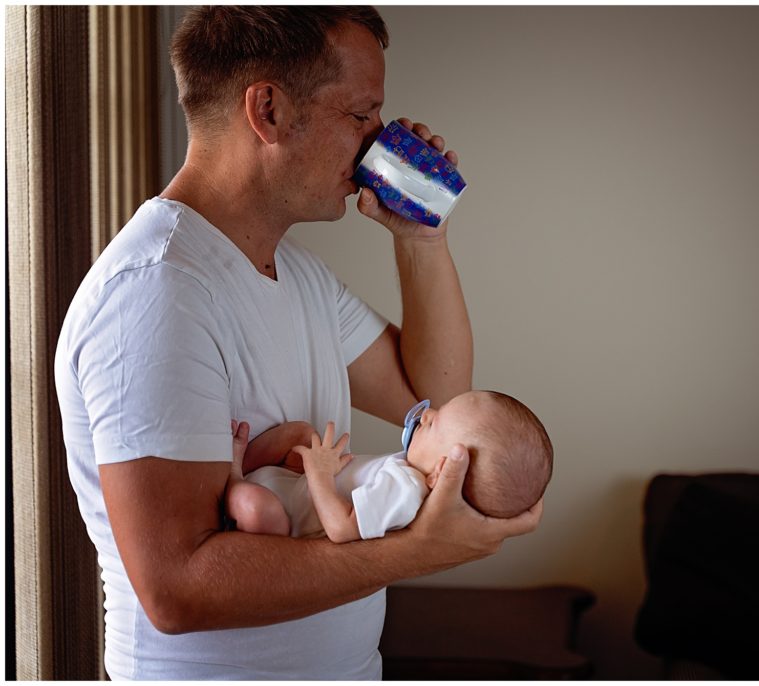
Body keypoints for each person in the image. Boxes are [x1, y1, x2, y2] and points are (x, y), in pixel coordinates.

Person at [53, 6, 541, 680]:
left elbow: (435, 402)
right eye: (360, 114)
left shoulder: (299, 275)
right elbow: (177, 587)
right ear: (270, 111)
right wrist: (416, 552)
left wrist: (421, 240)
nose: (378, 143)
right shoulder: (157, 294)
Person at [227, 391, 554, 541]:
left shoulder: (407, 490)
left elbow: (341, 530)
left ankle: (232, 475)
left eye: (433, 423)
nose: (425, 414)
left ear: (442, 471)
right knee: (301, 434)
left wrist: (320, 473)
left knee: (255, 507)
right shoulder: (409, 472)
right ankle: (240, 472)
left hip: (282, 517)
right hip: (293, 488)